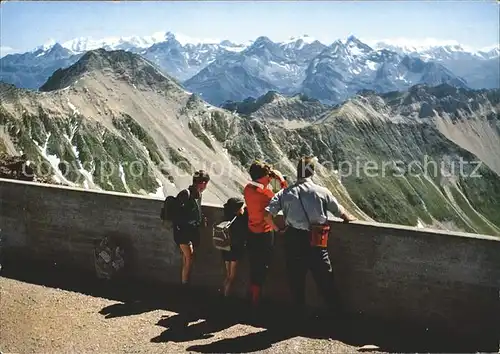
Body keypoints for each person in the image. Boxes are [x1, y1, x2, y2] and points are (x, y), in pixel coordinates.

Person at [264, 156, 356, 316]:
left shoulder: (284, 193)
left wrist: (278, 230)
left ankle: (299, 318)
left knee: (296, 279)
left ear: (297, 172)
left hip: (293, 239)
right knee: (325, 279)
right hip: (316, 239)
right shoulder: (322, 192)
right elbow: (341, 213)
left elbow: (267, 215)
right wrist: (349, 218)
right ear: (312, 172)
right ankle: (337, 317)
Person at [243, 160, 288, 308]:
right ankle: (256, 300)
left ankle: (252, 296)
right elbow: (286, 197)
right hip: (264, 234)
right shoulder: (267, 194)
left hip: (250, 233)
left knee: (254, 264)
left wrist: (268, 179)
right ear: (263, 177)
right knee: (263, 266)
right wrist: (281, 180)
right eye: (268, 175)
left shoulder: (248, 189)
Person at [173, 170, 210, 287]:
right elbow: (178, 214)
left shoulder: (197, 195)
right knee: (189, 258)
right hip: (182, 231)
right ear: (202, 183)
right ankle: (184, 285)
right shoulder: (186, 194)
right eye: (206, 183)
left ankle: (184, 283)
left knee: (187, 258)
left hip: (189, 231)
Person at [219, 197, 249, 298]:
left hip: (225, 248)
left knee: (227, 275)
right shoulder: (240, 220)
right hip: (235, 250)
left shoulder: (227, 217)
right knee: (232, 276)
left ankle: (223, 293)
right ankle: (226, 296)